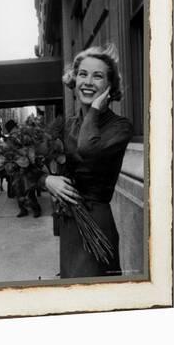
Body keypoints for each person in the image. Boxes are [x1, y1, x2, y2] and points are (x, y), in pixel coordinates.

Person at [41, 44, 133, 278]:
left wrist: (93, 110)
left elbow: (88, 149)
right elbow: (38, 167)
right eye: (83, 74)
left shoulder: (120, 127)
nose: (88, 81)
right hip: (70, 222)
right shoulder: (66, 125)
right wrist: (48, 181)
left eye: (98, 76)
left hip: (97, 220)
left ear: (109, 87)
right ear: (74, 81)